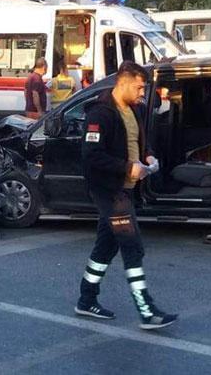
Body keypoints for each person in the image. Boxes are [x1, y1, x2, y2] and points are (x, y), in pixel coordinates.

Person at [74, 61, 177, 330]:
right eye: (140, 87)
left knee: (106, 246)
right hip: (109, 191)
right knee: (132, 246)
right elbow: (92, 156)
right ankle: (147, 311)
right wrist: (128, 167)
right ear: (124, 82)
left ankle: (86, 299)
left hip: (126, 188)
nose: (144, 93)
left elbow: (139, 142)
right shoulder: (100, 114)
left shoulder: (135, 110)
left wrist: (148, 156)